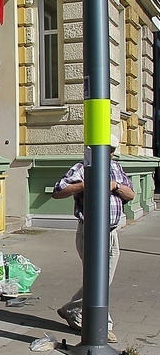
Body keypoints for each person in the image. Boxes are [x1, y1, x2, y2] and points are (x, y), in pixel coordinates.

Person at [52, 133, 134, 343]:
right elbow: (58, 191)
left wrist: (114, 185)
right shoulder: (82, 167)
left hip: (112, 231)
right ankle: (102, 325)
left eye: (114, 150)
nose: (112, 154)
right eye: (108, 150)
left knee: (103, 279)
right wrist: (87, 184)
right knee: (99, 278)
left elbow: (130, 194)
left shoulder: (116, 168)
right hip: (90, 231)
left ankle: (72, 309)